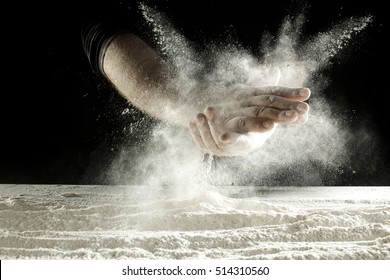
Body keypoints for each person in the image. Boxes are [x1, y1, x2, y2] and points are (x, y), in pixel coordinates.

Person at [81, 1, 310, 157]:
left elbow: (290, 46)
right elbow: (101, 31)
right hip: (107, 171)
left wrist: (267, 101)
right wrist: (196, 102)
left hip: (282, 189)